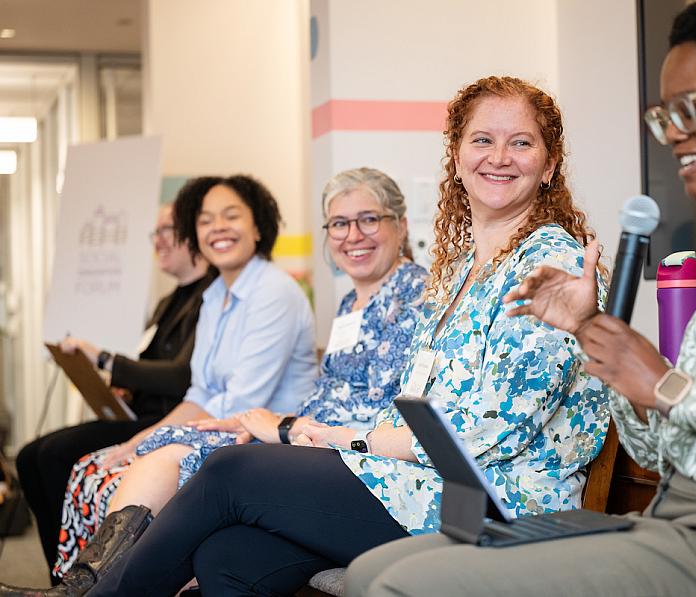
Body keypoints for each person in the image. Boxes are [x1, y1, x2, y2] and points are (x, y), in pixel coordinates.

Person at [345, 1, 696, 596]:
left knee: (406, 587)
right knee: (372, 572)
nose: (674, 134)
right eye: (666, 116)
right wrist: (605, 349)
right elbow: (659, 446)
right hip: (680, 515)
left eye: (694, 108)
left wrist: (665, 386)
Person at [78, 75, 611, 597]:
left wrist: (330, 437)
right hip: (420, 482)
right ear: (456, 156)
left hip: (497, 505)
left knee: (229, 471)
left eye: (521, 142)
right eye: (482, 140)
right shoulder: (461, 270)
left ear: (549, 164)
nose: (499, 156)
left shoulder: (552, 265)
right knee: (231, 557)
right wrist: (332, 439)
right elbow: (415, 402)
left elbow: (484, 434)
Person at [56, 167, 428, 584]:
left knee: (207, 464)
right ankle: (87, 583)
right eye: (340, 223)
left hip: (345, 457)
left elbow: (376, 413)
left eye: (369, 219)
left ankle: (92, 588)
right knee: (193, 512)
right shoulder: (350, 302)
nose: (353, 235)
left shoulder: (415, 297)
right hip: (307, 436)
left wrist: (286, 429)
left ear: (401, 225)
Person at [0, 174, 319, 597]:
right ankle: (76, 586)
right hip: (214, 426)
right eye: (205, 220)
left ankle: (89, 590)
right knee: (95, 466)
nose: (217, 227)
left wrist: (154, 439)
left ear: (258, 226)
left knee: (114, 473)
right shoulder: (214, 296)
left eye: (231, 216)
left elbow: (242, 403)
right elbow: (200, 393)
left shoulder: (275, 291)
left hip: (255, 437)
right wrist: (140, 438)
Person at [14, 204, 212, 574]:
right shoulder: (169, 302)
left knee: (54, 455)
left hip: (166, 421)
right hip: (138, 413)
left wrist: (104, 358)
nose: (159, 241)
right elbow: (151, 365)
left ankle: (78, 575)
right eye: (155, 233)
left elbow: (182, 377)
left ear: (193, 234)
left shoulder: (211, 298)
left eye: (167, 230)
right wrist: (123, 390)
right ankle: (59, 572)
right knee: (28, 456)